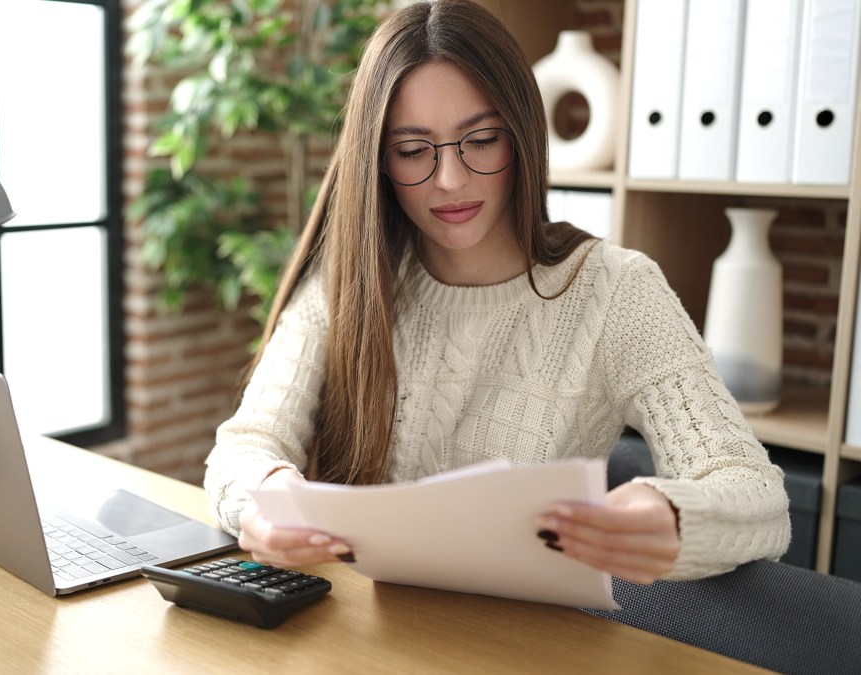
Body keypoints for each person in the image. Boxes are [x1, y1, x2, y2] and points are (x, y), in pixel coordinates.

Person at [203, 0, 791, 585]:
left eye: (481, 140)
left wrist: (672, 515)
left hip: (529, 636)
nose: (450, 180)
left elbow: (755, 492)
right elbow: (248, 441)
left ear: (521, 137)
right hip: (368, 626)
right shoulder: (350, 279)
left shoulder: (616, 291)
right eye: (412, 151)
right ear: (378, 162)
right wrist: (267, 498)